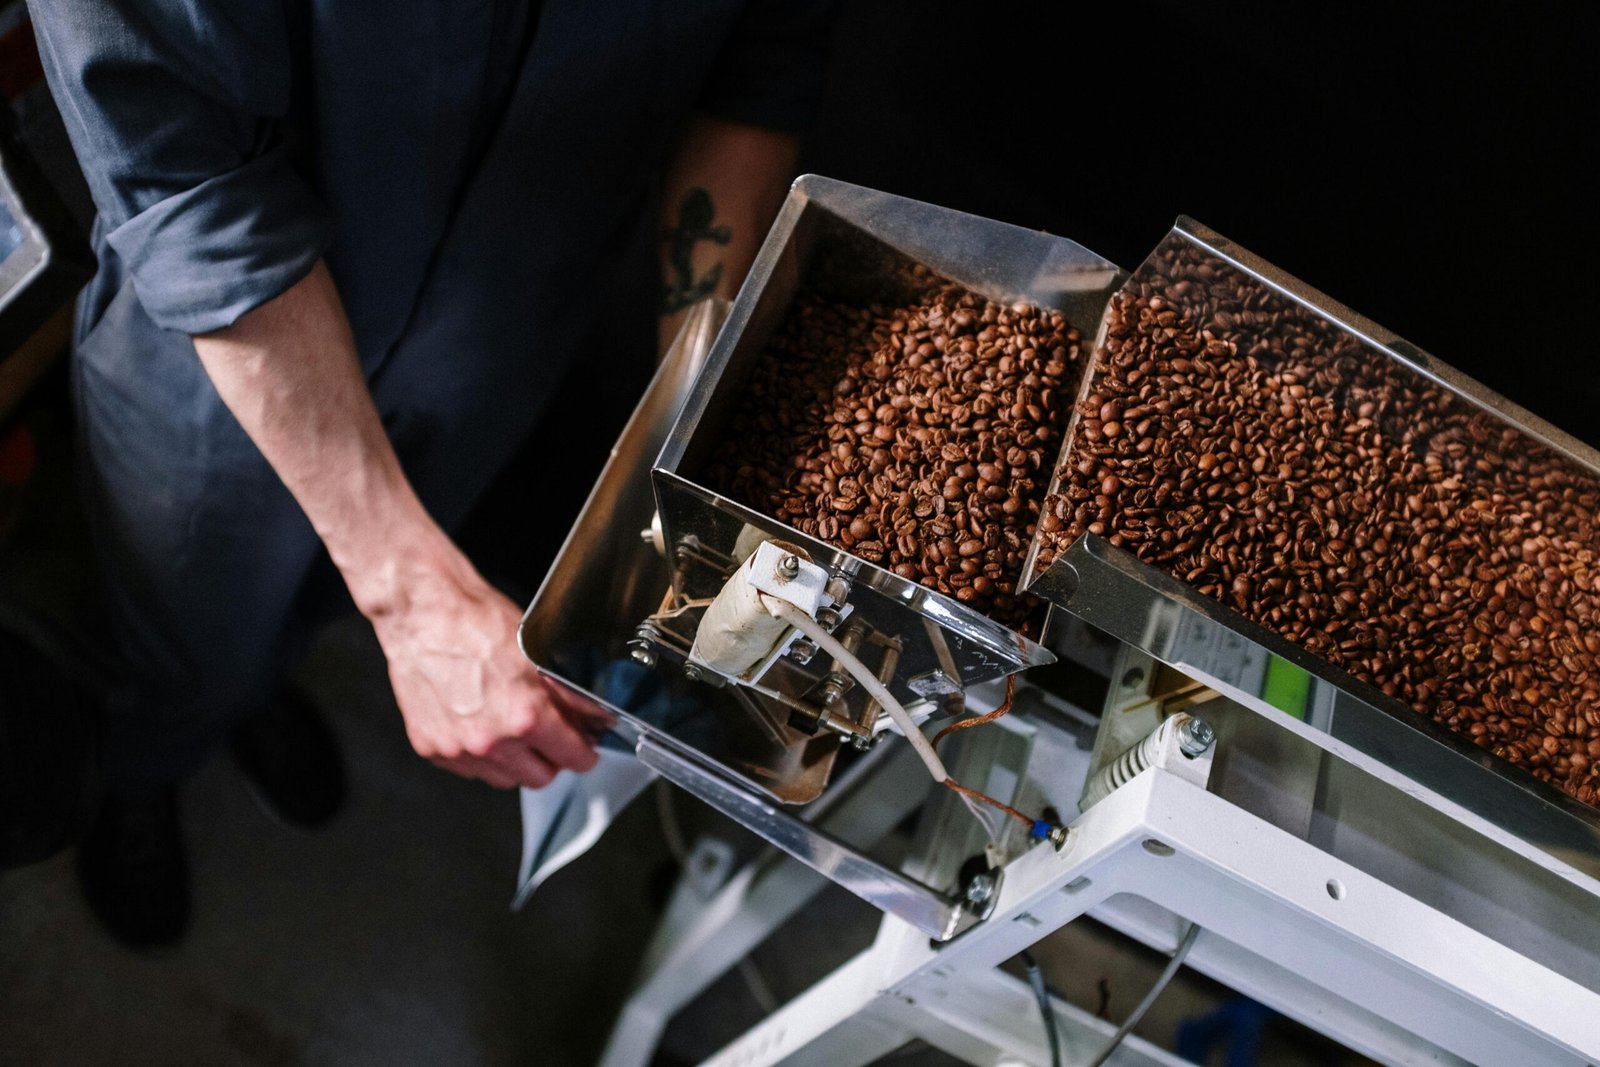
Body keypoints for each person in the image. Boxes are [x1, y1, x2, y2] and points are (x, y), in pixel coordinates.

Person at [26, 0, 835, 948]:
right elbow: (181, 174)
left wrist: (699, 424)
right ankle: (147, 768)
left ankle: (253, 692)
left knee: (313, 607)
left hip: (494, 350)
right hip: (226, 365)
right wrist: (411, 597)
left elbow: (754, 73)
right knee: (180, 615)